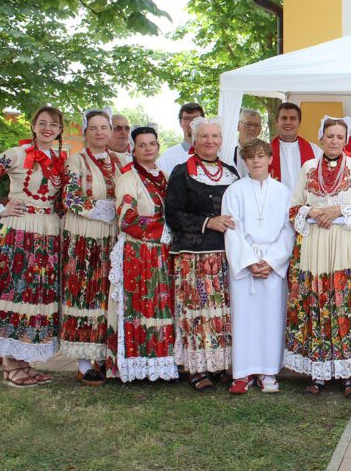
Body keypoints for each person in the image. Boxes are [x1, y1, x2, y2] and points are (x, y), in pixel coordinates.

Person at [0, 107, 67, 386]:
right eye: (43, 123)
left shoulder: (59, 160)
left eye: (54, 125)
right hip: (19, 232)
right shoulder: (16, 153)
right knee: (15, 292)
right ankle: (10, 366)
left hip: (47, 234)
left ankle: (24, 362)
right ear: (33, 126)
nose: (48, 128)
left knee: (36, 296)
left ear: (60, 130)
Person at [286, 116, 351, 397]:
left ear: (346, 139)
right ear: (321, 138)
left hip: (347, 245)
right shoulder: (307, 168)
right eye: (330, 136)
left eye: (340, 136)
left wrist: (338, 210)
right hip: (314, 244)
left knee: (347, 304)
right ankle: (319, 370)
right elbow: (293, 208)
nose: (334, 141)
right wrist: (312, 211)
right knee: (316, 302)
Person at [165, 117, 240, 392]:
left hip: (224, 253)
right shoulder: (181, 172)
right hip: (193, 254)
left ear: (222, 140)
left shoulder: (231, 171)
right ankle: (197, 368)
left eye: (215, 136)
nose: (210, 141)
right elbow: (173, 214)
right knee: (197, 311)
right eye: (204, 136)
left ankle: (219, 364)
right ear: (194, 140)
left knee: (221, 312)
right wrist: (208, 222)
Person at [223, 138, 295, 394]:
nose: (256, 161)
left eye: (261, 156)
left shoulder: (283, 191)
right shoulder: (235, 190)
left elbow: (289, 230)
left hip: (272, 263)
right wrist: (251, 262)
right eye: (251, 157)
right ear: (245, 161)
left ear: (270, 159)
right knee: (244, 319)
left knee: (271, 318)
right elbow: (232, 229)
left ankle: (268, 372)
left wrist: (273, 260)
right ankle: (242, 373)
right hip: (246, 263)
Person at [109, 126, 178, 382]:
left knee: (160, 306)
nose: (148, 148)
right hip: (139, 252)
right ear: (133, 149)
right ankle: (139, 364)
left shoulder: (163, 175)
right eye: (142, 145)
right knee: (141, 306)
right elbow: (126, 219)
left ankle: (161, 363)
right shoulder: (129, 178)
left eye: (152, 143)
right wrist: (165, 230)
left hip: (160, 251)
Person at [61, 109, 125, 384]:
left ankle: (105, 358)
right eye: (94, 128)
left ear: (110, 131)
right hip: (84, 235)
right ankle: (84, 361)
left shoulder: (121, 160)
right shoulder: (76, 160)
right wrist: (105, 208)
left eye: (104, 127)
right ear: (86, 132)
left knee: (107, 295)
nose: (100, 133)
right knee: (84, 292)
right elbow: (70, 197)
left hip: (113, 235)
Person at [270, 102, 321, 192]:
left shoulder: (314, 150)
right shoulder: (265, 151)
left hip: (305, 204)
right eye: (283, 118)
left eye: (293, 118)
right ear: (276, 122)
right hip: (276, 204)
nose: (288, 122)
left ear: (299, 123)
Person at [158, 102, 205, 176]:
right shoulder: (167, 157)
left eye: (196, 118)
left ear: (203, 122)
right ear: (180, 123)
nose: (192, 122)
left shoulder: (216, 154)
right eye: (187, 118)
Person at [232, 108, 264, 177]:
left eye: (256, 125)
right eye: (248, 124)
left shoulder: (265, 153)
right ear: (238, 126)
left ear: (260, 129)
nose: (252, 128)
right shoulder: (228, 150)